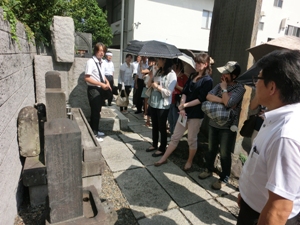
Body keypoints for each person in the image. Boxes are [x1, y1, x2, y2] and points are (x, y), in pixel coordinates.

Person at [237, 49, 300, 225]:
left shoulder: (286, 135)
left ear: (272, 87)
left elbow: (279, 208)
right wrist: (246, 194)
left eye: (258, 79)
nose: (255, 84)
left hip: (264, 215)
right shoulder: (276, 116)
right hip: (254, 207)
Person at [154, 53, 213, 170]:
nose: (196, 65)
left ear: (205, 64)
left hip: (196, 114)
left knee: (191, 139)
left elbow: (202, 98)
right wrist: (182, 106)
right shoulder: (192, 76)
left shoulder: (208, 80)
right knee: (175, 136)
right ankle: (164, 158)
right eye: (196, 62)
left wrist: (185, 105)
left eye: (199, 63)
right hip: (184, 112)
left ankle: (189, 161)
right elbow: (185, 91)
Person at [198, 61, 245, 190]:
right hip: (214, 123)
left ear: (233, 76)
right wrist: (224, 101)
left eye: (226, 73)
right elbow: (208, 96)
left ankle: (224, 177)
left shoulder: (240, 88)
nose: (223, 75)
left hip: (228, 127)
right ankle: (208, 169)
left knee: (224, 153)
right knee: (211, 148)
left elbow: (229, 102)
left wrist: (224, 91)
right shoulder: (219, 85)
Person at [145, 58, 177, 157]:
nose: (157, 61)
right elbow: (148, 84)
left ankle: (162, 148)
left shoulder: (172, 75)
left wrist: (158, 87)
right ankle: (154, 144)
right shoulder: (157, 71)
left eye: (159, 60)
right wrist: (151, 75)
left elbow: (168, 92)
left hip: (163, 104)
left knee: (162, 126)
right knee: (154, 125)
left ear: (165, 61)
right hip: (153, 102)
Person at [84, 42, 111, 142]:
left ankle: (96, 129)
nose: (102, 53)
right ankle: (93, 133)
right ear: (95, 51)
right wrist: (101, 83)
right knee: (95, 111)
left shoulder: (101, 62)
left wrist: (106, 82)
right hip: (93, 89)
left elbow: (101, 74)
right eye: (100, 51)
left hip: (101, 88)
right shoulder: (90, 62)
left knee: (98, 111)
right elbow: (87, 78)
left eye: (103, 51)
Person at [167, 58, 189, 135]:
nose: (174, 66)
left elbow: (186, 90)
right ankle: (172, 133)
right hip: (170, 99)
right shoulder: (171, 75)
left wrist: (177, 86)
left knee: (176, 119)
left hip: (178, 101)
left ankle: (175, 135)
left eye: (175, 65)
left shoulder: (184, 77)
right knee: (170, 119)